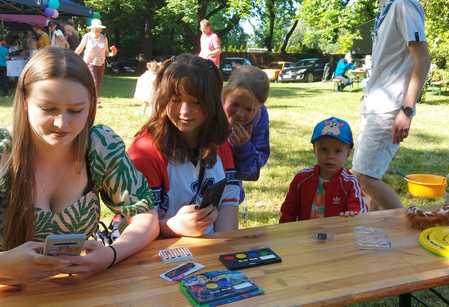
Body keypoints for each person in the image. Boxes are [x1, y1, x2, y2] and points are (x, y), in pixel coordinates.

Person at [0, 48, 158, 284]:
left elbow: (145, 216)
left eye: (75, 110)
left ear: (91, 105)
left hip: (76, 291)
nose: (61, 123)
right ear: (25, 101)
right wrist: (5, 267)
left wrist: (111, 254)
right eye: (48, 108)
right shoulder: (4, 153)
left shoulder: (99, 147)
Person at [350, 0, 431, 210]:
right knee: (364, 176)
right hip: (375, 105)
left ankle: (404, 222)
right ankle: (376, 235)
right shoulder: (385, 8)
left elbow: (422, 58)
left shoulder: (403, 5)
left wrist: (406, 109)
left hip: (391, 106)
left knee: (364, 175)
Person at [128, 54, 240, 237]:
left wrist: (223, 247)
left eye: (196, 102)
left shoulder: (219, 142)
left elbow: (228, 204)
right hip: (153, 251)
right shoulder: (145, 152)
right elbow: (131, 227)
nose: (185, 112)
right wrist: (172, 226)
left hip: (207, 248)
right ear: (163, 99)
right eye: (175, 100)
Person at [280, 117, 367, 222]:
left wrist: (353, 215)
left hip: (337, 234)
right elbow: (288, 210)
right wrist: (286, 231)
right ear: (314, 150)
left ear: (348, 153)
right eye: (324, 149)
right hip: (306, 234)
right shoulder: (301, 179)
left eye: (337, 151)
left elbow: (360, 210)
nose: (330, 156)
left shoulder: (350, 182)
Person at [222, 65, 270, 182]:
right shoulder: (211, 110)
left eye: (249, 109)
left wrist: (243, 147)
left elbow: (250, 173)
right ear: (224, 95)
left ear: (259, 107)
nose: (240, 114)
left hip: (232, 188)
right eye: (235, 104)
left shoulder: (259, 118)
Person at [75, 19, 117, 107]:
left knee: (98, 83)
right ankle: (96, 101)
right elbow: (80, 49)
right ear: (92, 28)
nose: (98, 29)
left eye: (99, 28)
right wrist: (72, 56)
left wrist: (113, 53)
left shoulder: (104, 38)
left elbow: (106, 53)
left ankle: (90, 99)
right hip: (89, 62)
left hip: (101, 63)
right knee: (94, 81)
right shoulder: (87, 36)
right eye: (96, 28)